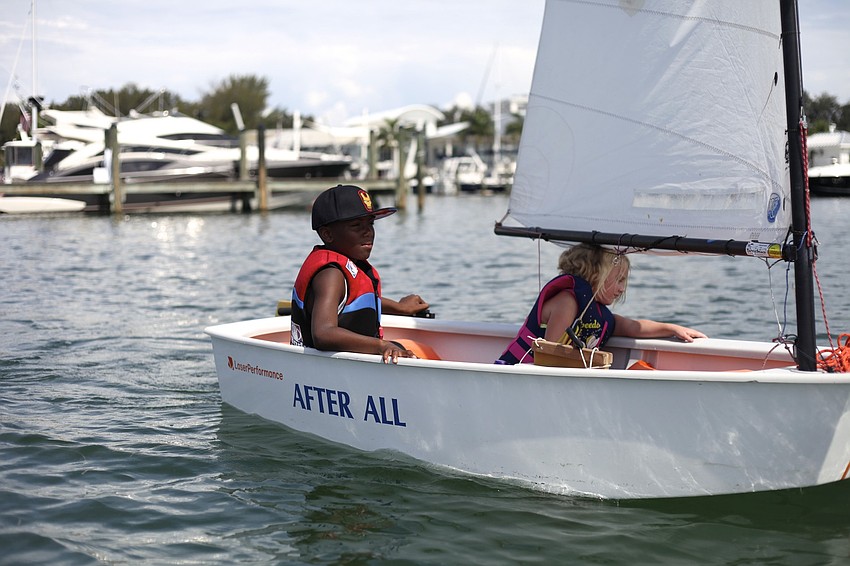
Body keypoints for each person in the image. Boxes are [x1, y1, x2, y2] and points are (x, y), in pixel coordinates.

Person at [498, 243, 705, 364]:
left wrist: (672, 328)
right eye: (619, 280)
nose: (622, 288)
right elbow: (551, 356)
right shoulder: (567, 303)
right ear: (595, 275)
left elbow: (633, 327)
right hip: (518, 373)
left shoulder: (599, 313)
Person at [290, 184, 430, 364]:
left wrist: (398, 307)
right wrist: (382, 346)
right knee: (406, 350)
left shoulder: (349, 266)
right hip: (331, 369)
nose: (368, 232)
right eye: (356, 225)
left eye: (370, 223)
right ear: (327, 234)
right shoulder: (331, 274)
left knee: (418, 349)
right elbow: (323, 333)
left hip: (354, 364)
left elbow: (353, 301)